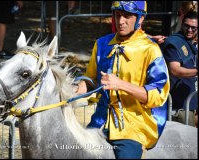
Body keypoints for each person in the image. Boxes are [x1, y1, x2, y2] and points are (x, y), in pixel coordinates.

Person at [76, 1, 170, 159]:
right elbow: (91, 80)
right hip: (98, 123)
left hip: (133, 127)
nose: (120, 21)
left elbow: (158, 95)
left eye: (127, 16)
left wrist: (121, 85)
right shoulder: (101, 44)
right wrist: (82, 86)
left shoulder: (150, 49)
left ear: (140, 19)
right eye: (118, 15)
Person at [162, 11, 198, 127]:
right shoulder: (174, 43)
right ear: (182, 24)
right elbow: (175, 70)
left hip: (191, 103)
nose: (190, 30)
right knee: (185, 144)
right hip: (179, 107)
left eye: (194, 28)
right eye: (187, 26)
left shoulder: (191, 44)